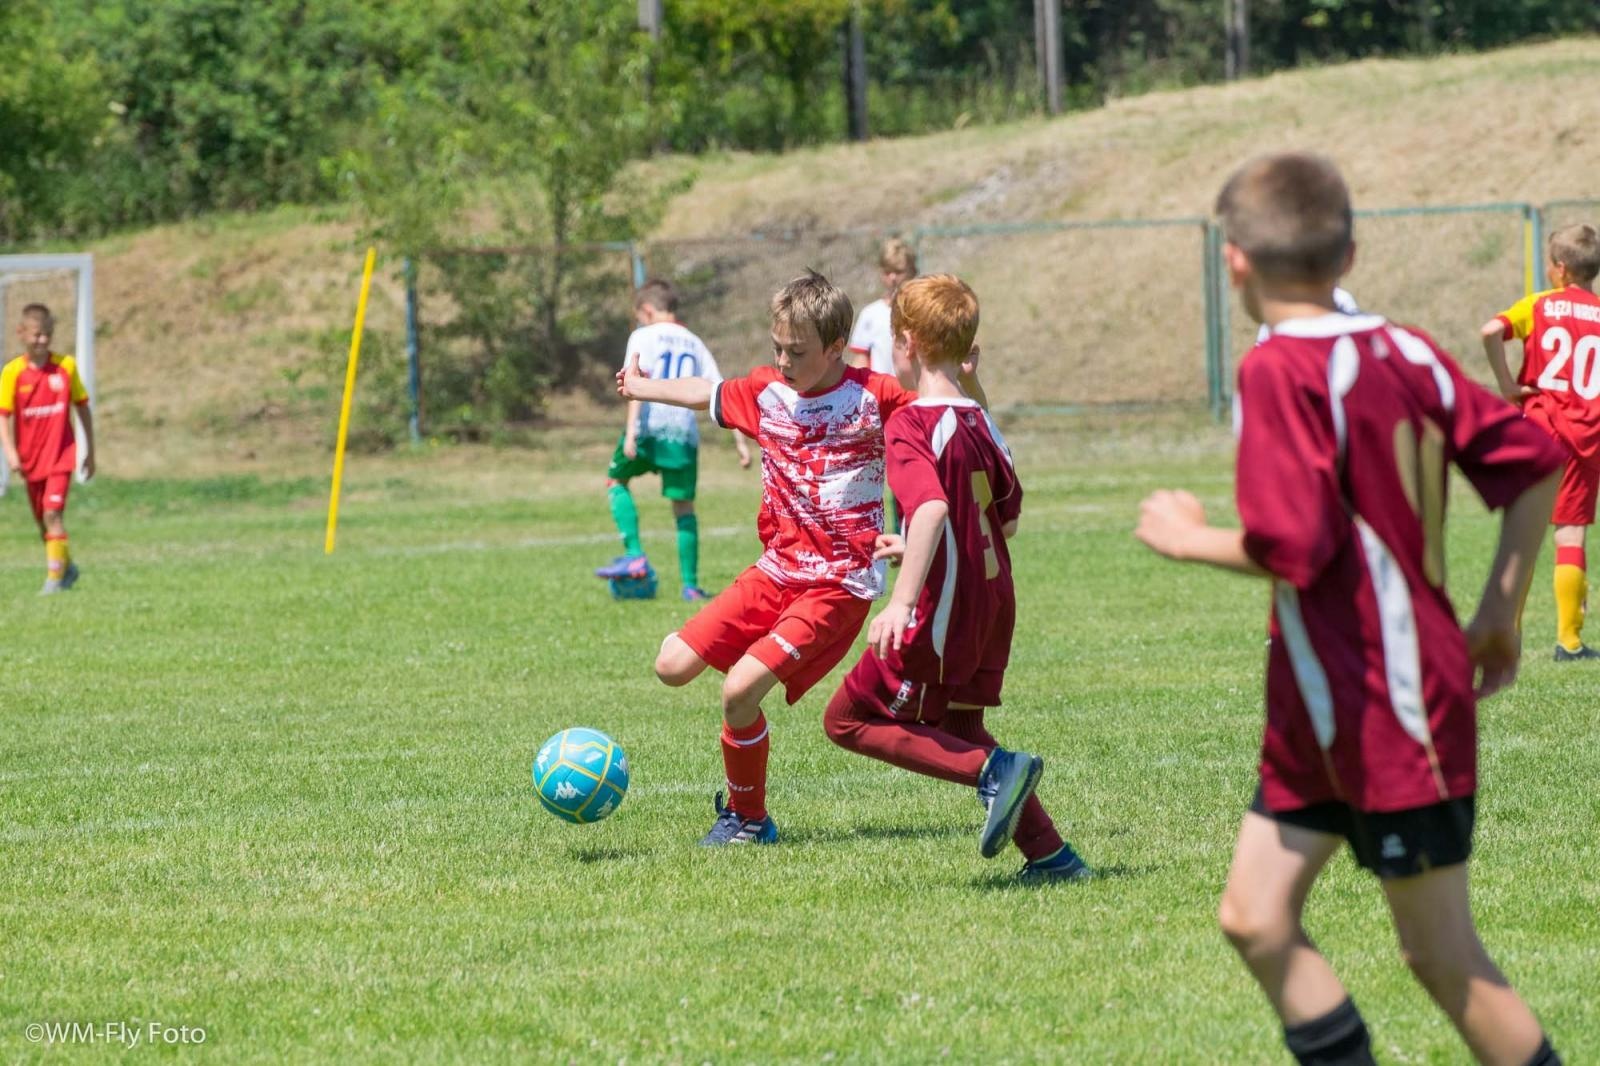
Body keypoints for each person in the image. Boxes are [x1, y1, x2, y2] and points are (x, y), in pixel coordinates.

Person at [1136, 153, 1563, 1066]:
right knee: (1255, 918)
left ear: (1233, 260)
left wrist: (1185, 537)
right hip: (1318, 699)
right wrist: (1500, 608)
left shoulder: (1276, 370)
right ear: (1350, 252)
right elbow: (1534, 462)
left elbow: (1294, 543)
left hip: (1388, 702)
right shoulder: (1407, 348)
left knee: (1442, 957)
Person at [616, 270, 984, 846]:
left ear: (836, 347)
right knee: (671, 666)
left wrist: (970, 379)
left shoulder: (875, 397)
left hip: (839, 584)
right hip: (776, 570)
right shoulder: (767, 391)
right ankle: (733, 668)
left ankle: (748, 819)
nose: (784, 361)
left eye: (798, 351)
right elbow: (706, 391)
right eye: (778, 348)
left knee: (739, 691)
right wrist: (642, 388)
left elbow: (957, 417)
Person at [822, 274, 1090, 881]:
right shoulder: (981, 421)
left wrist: (900, 601)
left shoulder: (911, 423)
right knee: (959, 727)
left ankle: (994, 772)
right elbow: (1004, 521)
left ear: (908, 344)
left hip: (945, 608)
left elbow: (934, 509)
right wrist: (916, 545)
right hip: (993, 600)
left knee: (847, 719)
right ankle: (1053, 857)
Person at [1480, 224, 1600, 660]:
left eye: (1550, 263)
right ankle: (1569, 641)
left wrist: (1506, 384)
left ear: (1561, 269)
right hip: (1585, 437)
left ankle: (1508, 633)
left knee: (1525, 532)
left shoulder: (1538, 305)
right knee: (1570, 534)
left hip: (1538, 429)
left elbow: (1489, 331)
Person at [594, 280, 751, 601]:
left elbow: (635, 383)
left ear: (647, 310)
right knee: (683, 506)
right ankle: (690, 586)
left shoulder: (642, 335)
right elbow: (722, 390)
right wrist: (741, 441)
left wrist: (631, 431)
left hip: (649, 428)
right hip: (682, 433)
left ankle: (634, 554)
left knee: (616, 480)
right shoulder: (694, 341)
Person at [1, 303, 95, 595]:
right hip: (31, 459)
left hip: (61, 456)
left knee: (53, 513)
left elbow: (83, 407)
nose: (42, 340)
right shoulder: (12, 372)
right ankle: (67, 567)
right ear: (22, 333)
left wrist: (90, 451)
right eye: (37, 334)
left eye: (47, 334)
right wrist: (10, 453)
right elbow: (3, 416)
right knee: (44, 524)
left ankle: (54, 582)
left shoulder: (65, 367)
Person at [847, 237, 917, 388]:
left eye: (898, 271)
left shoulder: (921, 311)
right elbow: (861, 360)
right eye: (887, 272)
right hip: (880, 394)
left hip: (915, 392)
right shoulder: (870, 314)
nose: (892, 277)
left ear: (912, 271)